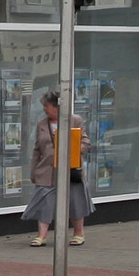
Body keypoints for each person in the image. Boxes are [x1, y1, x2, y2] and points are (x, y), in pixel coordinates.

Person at [23, 91, 90, 247]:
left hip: (70, 168)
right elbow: (37, 149)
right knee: (45, 201)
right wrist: (34, 171)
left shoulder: (75, 121)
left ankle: (79, 233)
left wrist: (75, 150)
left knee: (75, 200)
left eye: (46, 106)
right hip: (46, 169)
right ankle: (42, 235)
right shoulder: (41, 124)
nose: (44, 109)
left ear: (57, 106)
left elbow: (85, 141)